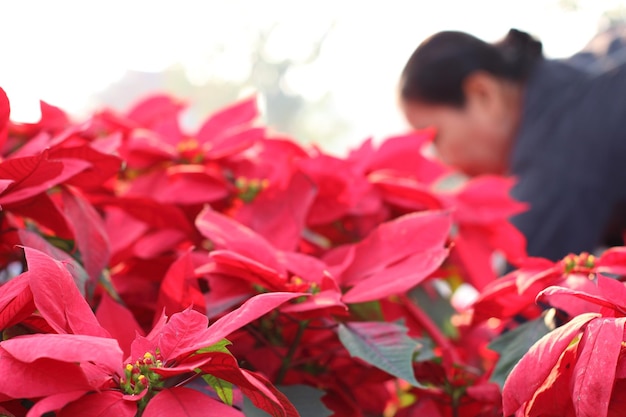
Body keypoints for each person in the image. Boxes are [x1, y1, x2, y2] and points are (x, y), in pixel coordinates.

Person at [398, 27, 626, 262]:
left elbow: (524, 293)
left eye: (436, 138)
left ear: (483, 94)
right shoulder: (580, 77)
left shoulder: (555, 161)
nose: (442, 160)